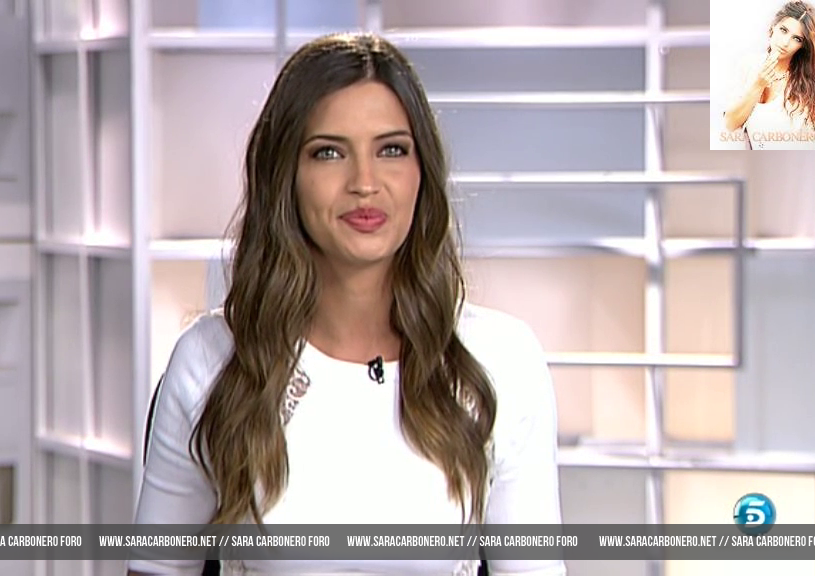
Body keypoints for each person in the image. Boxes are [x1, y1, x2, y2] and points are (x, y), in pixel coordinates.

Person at [128, 31, 565, 576]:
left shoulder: (501, 359)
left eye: (391, 150)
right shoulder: (211, 360)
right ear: (286, 176)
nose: (365, 183)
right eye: (329, 152)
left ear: (422, 172)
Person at [722, 1, 815, 150]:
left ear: (803, 46)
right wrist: (758, 85)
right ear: (773, 26)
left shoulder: (811, 82)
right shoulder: (747, 66)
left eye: (797, 38)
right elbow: (730, 123)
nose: (785, 42)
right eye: (783, 30)